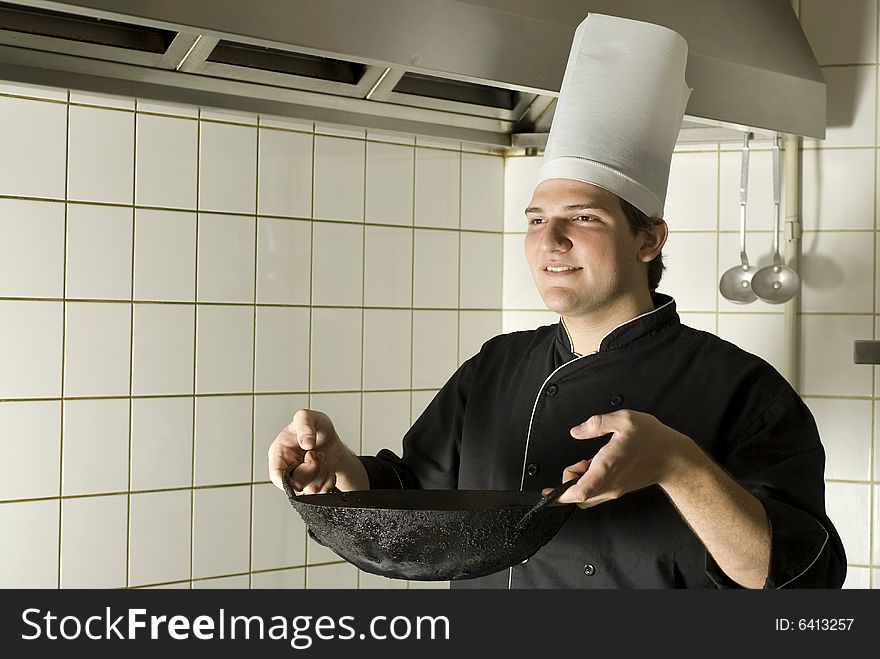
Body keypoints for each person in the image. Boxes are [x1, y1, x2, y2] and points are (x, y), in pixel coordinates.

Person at [268, 14, 846, 589]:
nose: (550, 241)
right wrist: (341, 467)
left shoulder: (742, 389)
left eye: (583, 218)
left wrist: (678, 464)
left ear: (648, 239)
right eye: (537, 220)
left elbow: (801, 578)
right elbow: (415, 502)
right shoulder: (494, 370)